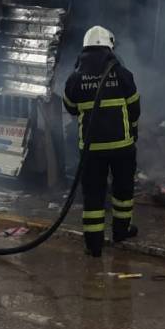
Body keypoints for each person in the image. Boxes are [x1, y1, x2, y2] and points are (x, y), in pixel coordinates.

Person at [63, 26, 140, 258]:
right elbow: (135, 109)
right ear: (109, 48)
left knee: (93, 195)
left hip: (91, 149)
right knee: (122, 191)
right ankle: (121, 231)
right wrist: (132, 132)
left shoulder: (75, 78)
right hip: (122, 147)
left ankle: (93, 244)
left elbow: (71, 108)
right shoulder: (123, 74)